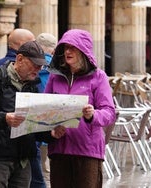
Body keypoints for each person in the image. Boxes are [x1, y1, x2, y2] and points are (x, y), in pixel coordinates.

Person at [0, 40, 66, 188]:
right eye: (34, 64)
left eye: (40, 66)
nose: (38, 69)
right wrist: (5, 118)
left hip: (23, 157)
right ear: (20, 59)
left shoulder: (32, 85)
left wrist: (50, 133)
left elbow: (34, 124)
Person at [44, 29, 116, 188]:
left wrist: (92, 114)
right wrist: (51, 128)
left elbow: (109, 113)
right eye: (65, 47)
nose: (67, 51)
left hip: (87, 150)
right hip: (59, 149)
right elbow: (45, 108)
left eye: (72, 48)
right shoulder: (55, 77)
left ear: (83, 50)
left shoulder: (98, 77)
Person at [29, 33, 57, 188]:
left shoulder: (32, 63)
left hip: (33, 112)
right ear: (52, 49)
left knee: (36, 160)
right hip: (52, 114)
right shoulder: (57, 66)